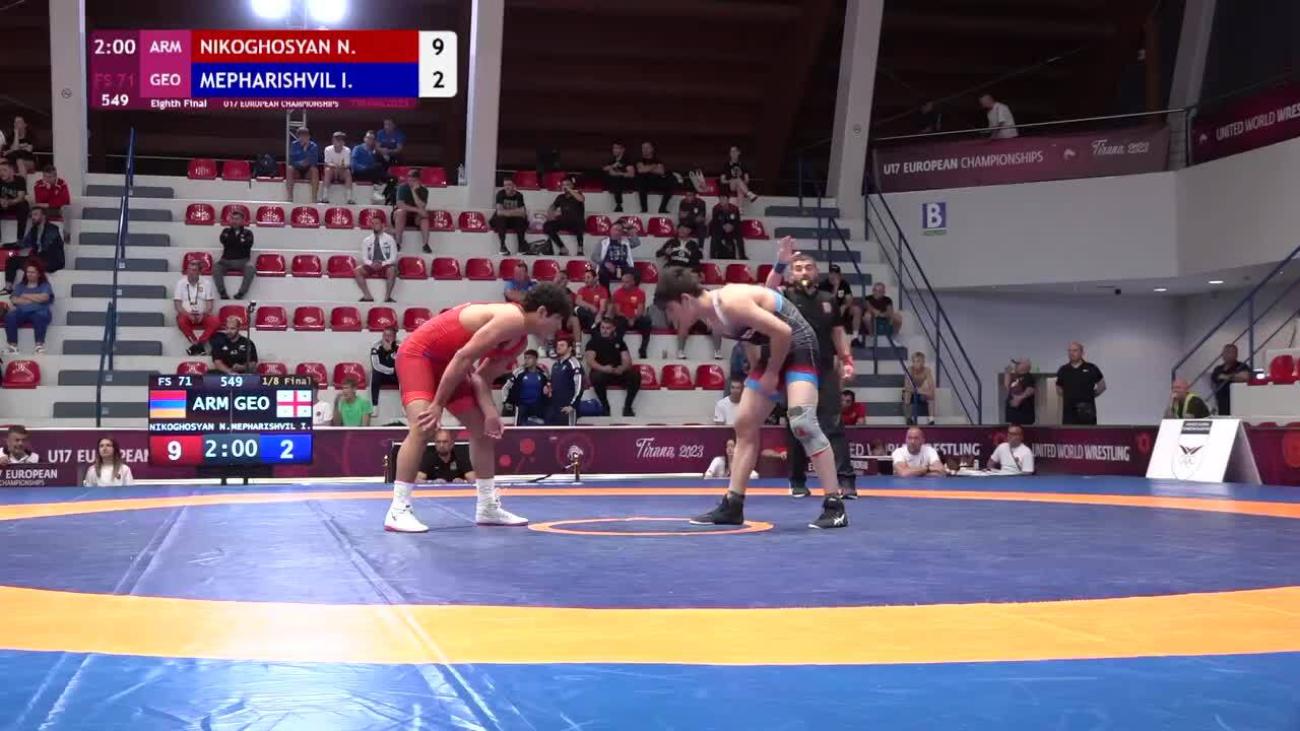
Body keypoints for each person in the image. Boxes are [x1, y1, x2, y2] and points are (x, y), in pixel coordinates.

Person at [654, 248, 849, 530]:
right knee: (744, 423)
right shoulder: (713, 318)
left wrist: (770, 374)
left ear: (685, 299)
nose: (671, 319)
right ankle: (733, 505)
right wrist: (760, 372)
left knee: (803, 423)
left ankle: (835, 505)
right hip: (774, 348)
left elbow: (784, 332)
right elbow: (750, 337)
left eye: (671, 311)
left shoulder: (730, 302)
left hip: (800, 344)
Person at [386, 284, 571, 532]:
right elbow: (463, 357)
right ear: (542, 312)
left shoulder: (519, 340)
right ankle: (398, 510)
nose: (559, 329)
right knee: (424, 426)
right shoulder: (510, 318)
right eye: (558, 320)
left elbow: (481, 377)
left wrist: (490, 413)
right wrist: (438, 404)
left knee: (482, 430)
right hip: (419, 356)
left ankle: (487, 506)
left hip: (449, 365)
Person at [764, 249, 857, 499]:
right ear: (791, 274)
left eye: (808, 267)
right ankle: (797, 481)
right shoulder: (784, 296)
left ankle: (846, 481)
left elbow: (838, 333)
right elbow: (767, 289)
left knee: (833, 424)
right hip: (795, 369)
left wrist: (847, 360)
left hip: (824, 368)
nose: (804, 272)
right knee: (798, 424)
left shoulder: (828, 298)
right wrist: (780, 263)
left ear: (816, 272)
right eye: (798, 268)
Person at [584, 317, 642, 417]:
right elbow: (590, 361)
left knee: (635, 375)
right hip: (602, 372)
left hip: (617, 372)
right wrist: (603, 368)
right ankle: (605, 407)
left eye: (608, 328)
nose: (604, 330)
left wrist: (622, 368)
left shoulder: (619, 341)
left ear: (613, 328)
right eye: (602, 328)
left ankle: (628, 407)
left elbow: (627, 360)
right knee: (596, 377)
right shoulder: (593, 342)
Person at [4, 206, 63, 292]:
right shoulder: (34, 230)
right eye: (32, 215)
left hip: (51, 260)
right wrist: (5, 245)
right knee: (12, 260)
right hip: (38, 259)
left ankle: (29, 290)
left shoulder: (52, 228)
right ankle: (8, 288)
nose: (33, 217)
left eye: (35, 214)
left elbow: (46, 246)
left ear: (43, 216)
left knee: (33, 263)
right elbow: (24, 243)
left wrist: (33, 256)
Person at [4, 261, 53, 354]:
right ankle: (13, 347)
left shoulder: (45, 285)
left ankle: (39, 346)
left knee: (41, 315)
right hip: (22, 311)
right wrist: (36, 299)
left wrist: (24, 295)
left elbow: (44, 297)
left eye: (32, 272)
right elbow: (14, 300)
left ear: (39, 274)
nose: (29, 274)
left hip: (39, 311)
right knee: (10, 316)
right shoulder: (20, 286)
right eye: (28, 272)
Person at [174, 259, 219, 356]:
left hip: (202, 314)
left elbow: (209, 304)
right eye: (189, 270)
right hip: (186, 314)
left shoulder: (207, 283)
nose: (190, 272)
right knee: (181, 321)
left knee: (215, 321)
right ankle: (195, 343)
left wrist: (203, 314)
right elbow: (178, 305)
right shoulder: (180, 283)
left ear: (199, 272)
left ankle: (199, 344)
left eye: (194, 270)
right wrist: (188, 314)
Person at [1056, 341, 1106, 425]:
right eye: (1069, 351)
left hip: (1087, 411)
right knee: (1069, 432)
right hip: (1069, 412)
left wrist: (1091, 395)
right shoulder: (1063, 369)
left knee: (1088, 433)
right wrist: (1069, 396)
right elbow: (1058, 388)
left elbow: (1102, 386)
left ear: (1082, 352)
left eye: (1075, 350)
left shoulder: (1091, 368)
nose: (1071, 353)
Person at [608, 270, 652, 360]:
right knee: (619, 323)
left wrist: (633, 319)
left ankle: (643, 349)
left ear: (633, 282)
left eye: (626, 282)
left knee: (647, 321)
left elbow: (640, 310)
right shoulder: (617, 293)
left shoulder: (640, 293)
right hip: (623, 318)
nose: (624, 284)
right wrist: (628, 319)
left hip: (635, 319)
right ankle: (617, 349)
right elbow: (617, 311)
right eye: (623, 282)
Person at [355, 213, 398, 302]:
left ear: (382, 225)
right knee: (357, 270)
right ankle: (367, 296)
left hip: (385, 265)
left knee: (392, 270)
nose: (374, 225)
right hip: (372, 265)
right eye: (373, 223)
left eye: (377, 223)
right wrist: (372, 264)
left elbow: (393, 257)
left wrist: (382, 264)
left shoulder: (390, 239)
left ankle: (387, 297)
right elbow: (364, 258)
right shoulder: (366, 240)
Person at [213, 208, 255, 300]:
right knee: (216, 267)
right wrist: (240, 241)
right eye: (232, 219)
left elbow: (248, 244)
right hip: (225, 261)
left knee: (250, 268)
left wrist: (233, 241)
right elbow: (224, 241)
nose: (234, 221)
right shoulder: (225, 231)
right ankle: (222, 292)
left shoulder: (248, 233)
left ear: (242, 221)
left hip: (243, 261)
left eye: (237, 219)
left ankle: (241, 293)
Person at [545, 337, 585, 425]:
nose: (558, 347)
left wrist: (572, 405)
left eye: (562, 345)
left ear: (570, 349)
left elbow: (579, 386)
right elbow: (552, 382)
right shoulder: (556, 365)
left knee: (567, 432)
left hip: (567, 407)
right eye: (558, 345)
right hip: (554, 406)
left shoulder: (574, 364)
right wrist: (548, 387)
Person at [503, 349, 549, 425]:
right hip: (522, 407)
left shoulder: (543, 374)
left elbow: (548, 390)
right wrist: (506, 401)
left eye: (529, 358)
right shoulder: (518, 372)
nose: (526, 360)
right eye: (525, 358)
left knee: (537, 428)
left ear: (535, 359)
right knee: (519, 428)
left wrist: (547, 391)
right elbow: (506, 387)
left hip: (537, 408)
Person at [590, 220, 641, 289]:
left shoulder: (626, 241)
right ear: (610, 231)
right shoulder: (603, 242)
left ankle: (632, 293)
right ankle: (606, 294)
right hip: (608, 268)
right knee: (602, 273)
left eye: (619, 230)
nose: (617, 232)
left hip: (623, 268)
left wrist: (630, 228)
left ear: (622, 232)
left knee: (636, 273)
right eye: (615, 230)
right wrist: (605, 263)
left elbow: (637, 242)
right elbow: (594, 256)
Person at [393, 168, 432, 253]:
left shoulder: (423, 190)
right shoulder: (402, 187)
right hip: (401, 216)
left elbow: (422, 206)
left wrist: (414, 191)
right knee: (401, 212)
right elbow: (400, 205)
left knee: (424, 218)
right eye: (408, 176)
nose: (409, 178)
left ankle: (426, 245)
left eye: (412, 177)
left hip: (415, 217)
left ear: (417, 179)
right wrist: (417, 210)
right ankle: (397, 243)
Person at [543, 177, 583, 256]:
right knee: (547, 226)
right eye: (563, 185)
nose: (565, 187)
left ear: (572, 185)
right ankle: (562, 248)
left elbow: (581, 199)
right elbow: (553, 206)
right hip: (564, 221)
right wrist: (550, 213)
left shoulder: (578, 194)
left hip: (576, 222)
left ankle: (580, 249)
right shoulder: (560, 197)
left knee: (579, 223)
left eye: (567, 184)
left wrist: (570, 190)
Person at [1210, 343, 1251, 415]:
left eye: (1230, 352)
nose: (1227, 355)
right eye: (1225, 352)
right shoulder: (1218, 368)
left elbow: (1245, 377)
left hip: (1237, 403)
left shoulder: (1242, 366)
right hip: (1222, 403)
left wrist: (1225, 376)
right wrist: (1234, 377)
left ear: (1236, 354)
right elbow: (1215, 378)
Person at [491, 179, 529, 255]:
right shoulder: (500, 194)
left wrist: (506, 212)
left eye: (509, 185)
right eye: (505, 185)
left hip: (513, 221)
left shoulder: (519, 195)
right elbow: (499, 212)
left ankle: (521, 247)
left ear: (514, 186)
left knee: (520, 220)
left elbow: (522, 213)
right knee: (501, 219)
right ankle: (503, 246)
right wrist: (515, 212)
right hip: (502, 221)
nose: (507, 187)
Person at [635, 141, 673, 214]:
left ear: (652, 149)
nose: (645, 150)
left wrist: (647, 168)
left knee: (670, 184)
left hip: (655, 182)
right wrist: (654, 166)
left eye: (647, 148)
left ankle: (662, 208)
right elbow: (641, 170)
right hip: (644, 183)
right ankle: (644, 209)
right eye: (643, 148)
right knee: (641, 183)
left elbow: (661, 171)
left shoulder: (657, 160)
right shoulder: (639, 160)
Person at [286, 126, 321, 203]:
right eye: (301, 136)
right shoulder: (294, 145)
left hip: (308, 171)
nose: (303, 137)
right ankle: (290, 197)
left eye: (305, 135)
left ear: (309, 136)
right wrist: (300, 162)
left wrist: (305, 150)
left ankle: (314, 198)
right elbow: (292, 160)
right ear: (298, 137)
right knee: (289, 169)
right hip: (297, 170)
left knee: (314, 170)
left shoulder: (314, 146)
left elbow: (314, 161)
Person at [370, 326, 400, 409]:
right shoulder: (376, 347)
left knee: (404, 375)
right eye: (384, 335)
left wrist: (391, 349)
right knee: (375, 374)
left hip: (395, 375)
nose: (386, 338)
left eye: (389, 335)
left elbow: (402, 363)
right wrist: (392, 370)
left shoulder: (400, 346)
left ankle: (405, 404)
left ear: (394, 337)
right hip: (382, 374)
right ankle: (374, 405)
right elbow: (376, 365)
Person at [0, 159, 30, 243]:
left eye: (4, 170)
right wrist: (1, 201)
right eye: (0, 170)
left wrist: (9, 202)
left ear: (12, 171)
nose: (1, 173)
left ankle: (20, 239)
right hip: (3, 205)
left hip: (15, 205)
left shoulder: (20, 180)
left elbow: (21, 197)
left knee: (23, 205)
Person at [321, 131, 355, 204]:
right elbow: (327, 163)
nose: (337, 142)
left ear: (343, 142)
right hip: (332, 171)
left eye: (340, 140)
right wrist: (335, 166)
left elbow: (347, 165)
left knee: (348, 172)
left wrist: (340, 167)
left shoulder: (347, 150)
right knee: (327, 170)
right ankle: (324, 197)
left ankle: (349, 198)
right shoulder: (327, 149)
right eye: (336, 140)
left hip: (342, 172)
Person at [902, 351, 935, 424]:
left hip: (920, 392)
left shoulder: (927, 370)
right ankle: (908, 418)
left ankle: (931, 419)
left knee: (931, 395)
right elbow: (906, 386)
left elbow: (931, 387)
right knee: (907, 394)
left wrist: (922, 391)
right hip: (911, 393)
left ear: (923, 362)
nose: (915, 363)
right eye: (914, 361)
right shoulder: (910, 370)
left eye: (918, 361)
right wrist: (916, 390)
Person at [601, 142, 635, 213]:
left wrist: (617, 174)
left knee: (616, 179)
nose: (614, 150)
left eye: (617, 148)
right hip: (612, 182)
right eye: (614, 148)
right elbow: (605, 169)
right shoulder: (612, 160)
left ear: (622, 150)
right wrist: (613, 166)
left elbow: (631, 174)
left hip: (625, 183)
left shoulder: (627, 160)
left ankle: (619, 205)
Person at [574, 266, 609, 333]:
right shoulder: (582, 289)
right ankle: (593, 325)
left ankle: (593, 326)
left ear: (595, 278)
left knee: (599, 319)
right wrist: (590, 306)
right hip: (584, 316)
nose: (586, 280)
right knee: (579, 309)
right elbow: (578, 301)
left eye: (588, 277)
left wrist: (599, 315)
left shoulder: (602, 290)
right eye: (584, 278)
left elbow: (602, 308)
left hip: (595, 316)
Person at [1004, 358, 1037, 425]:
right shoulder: (1016, 377)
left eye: (1018, 364)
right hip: (1013, 416)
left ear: (1026, 366)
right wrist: (1007, 373)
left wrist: (1019, 398)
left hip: (1023, 416)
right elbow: (1007, 386)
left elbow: (1031, 390)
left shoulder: (1028, 377)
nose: (1016, 365)